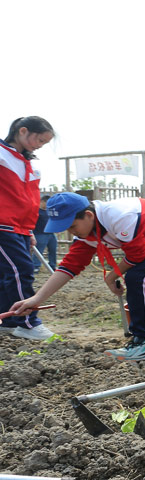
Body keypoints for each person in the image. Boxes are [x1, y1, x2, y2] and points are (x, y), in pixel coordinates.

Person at [10, 192, 145, 360]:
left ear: (88, 215)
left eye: (72, 226)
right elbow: (69, 266)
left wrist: (111, 276)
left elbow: (137, 256)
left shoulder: (119, 217)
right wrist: (37, 299)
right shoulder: (86, 233)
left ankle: (143, 342)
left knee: (138, 279)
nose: (72, 232)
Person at [0, 116, 55, 340]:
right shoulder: (2, 156)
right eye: (39, 139)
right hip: (3, 225)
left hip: (20, 227)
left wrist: (29, 230)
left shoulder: (27, 163)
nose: (40, 145)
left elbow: (28, 202)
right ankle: (28, 322)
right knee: (21, 270)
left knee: (7, 273)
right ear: (23, 131)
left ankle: (9, 320)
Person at [32, 194, 58, 272]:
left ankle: (52, 265)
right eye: (47, 203)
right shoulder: (36, 211)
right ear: (42, 202)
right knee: (39, 251)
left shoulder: (50, 211)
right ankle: (36, 266)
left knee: (53, 250)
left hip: (51, 234)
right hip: (40, 234)